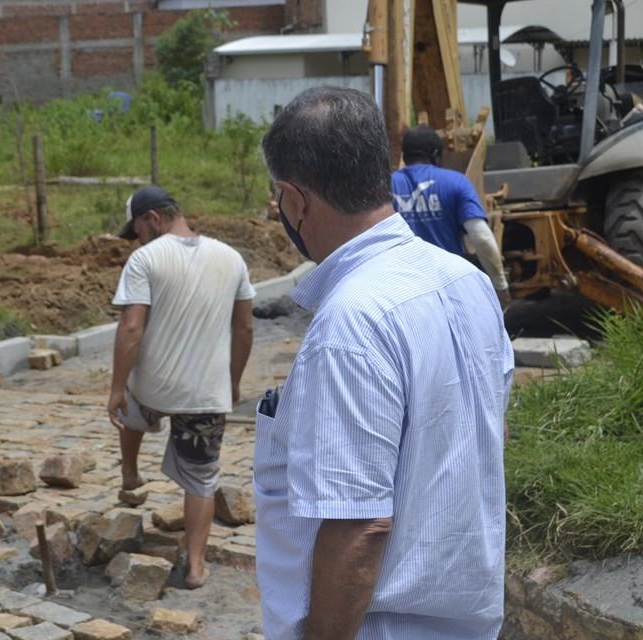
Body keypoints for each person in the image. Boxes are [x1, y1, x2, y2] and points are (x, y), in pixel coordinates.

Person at [255, 87, 513, 639]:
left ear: (294, 201)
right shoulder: (466, 282)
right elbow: (494, 428)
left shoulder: (350, 323)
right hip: (468, 623)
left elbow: (362, 524)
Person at [107, 186, 255, 589]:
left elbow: (132, 326)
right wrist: (234, 380)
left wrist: (117, 387)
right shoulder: (231, 258)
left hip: (154, 387)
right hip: (205, 394)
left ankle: (131, 473)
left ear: (152, 219)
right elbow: (244, 327)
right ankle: (195, 566)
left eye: (136, 229)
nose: (135, 239)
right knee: (202, 479)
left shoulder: (145, 260)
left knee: (129, 405)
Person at [392, 125, 511, 308]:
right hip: (448, 290)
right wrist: (500, 285)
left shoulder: (385, 187)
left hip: (400, 293)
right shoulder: (457, 182)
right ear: (436, 155)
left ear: (405, 155)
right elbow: (481, 236)